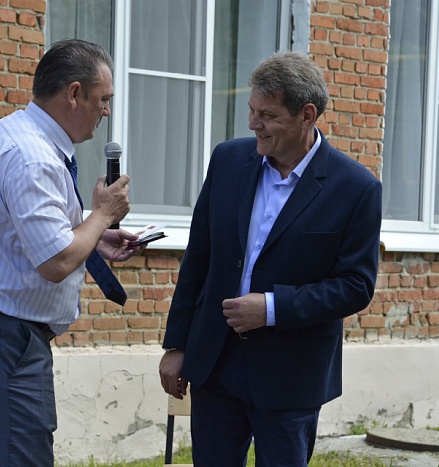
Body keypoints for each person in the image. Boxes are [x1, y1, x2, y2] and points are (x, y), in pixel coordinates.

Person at [158, 51, 382, 466]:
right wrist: (176, 345)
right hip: (215, 361)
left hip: (290, 375)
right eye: (251, 110)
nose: (253, 124)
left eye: (267, 115)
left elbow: (355, 286)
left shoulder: (355, 188)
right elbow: (199, 258)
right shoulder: (228, 160)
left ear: (306, 115)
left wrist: (272, 308)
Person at [0, 39, 141, 465]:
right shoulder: (33, 157)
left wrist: (93, 238)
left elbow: (21, 235)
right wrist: (103, 214)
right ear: (74, 93)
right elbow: (55, 261)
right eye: (103, 100)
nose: (106, 112)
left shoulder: (13, 133)